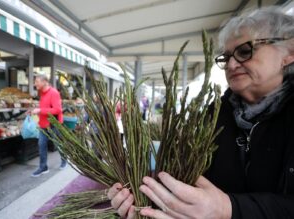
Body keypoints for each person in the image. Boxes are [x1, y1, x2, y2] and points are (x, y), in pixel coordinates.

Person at [107, 6, 294, 219]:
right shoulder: (212, 116)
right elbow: (182, 186)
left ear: (288, 52)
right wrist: (140, 200)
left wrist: (228, 209)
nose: (231, 64)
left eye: (244, 51)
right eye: (225, 57)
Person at [30, 74, 67, 177]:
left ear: (45, 82)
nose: (35, 83)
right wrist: (36, 112)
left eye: (37, 81)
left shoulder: (54, 93)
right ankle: (43, 167)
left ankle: (64, 160)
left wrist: (40, 110)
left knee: (59, 144)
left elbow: (57, 110)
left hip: (54, 124)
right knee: (41, 145)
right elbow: (45, 108)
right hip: (43, 124)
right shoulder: (42, 93)